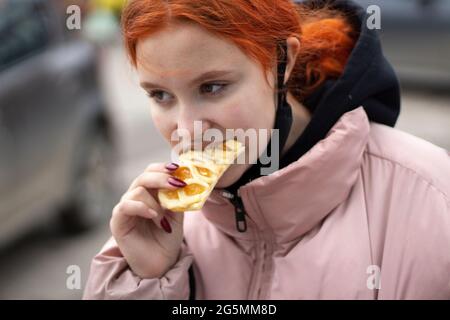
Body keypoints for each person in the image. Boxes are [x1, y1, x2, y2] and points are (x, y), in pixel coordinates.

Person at [83, 0, 450, 299]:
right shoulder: (160, 221)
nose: (187, 130)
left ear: (283, 62)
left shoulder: (431, 196)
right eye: (160, 95)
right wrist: (149, 280)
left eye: (212, 87)